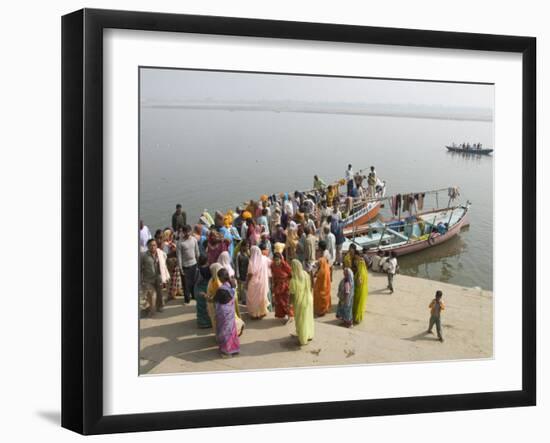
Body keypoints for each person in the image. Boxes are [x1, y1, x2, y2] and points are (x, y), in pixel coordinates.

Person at [214, 269, 240, 357]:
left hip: (223, 314)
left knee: (224, 331)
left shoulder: (221, 290)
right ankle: (234, 348)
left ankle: (227, 351)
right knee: (231, 330)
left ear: (221, 278)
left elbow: (214, 300)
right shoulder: (232, 284)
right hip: (231, 312)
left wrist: (206, 296)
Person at [140, 239, 169, 316]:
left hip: (158, 277)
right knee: (152, 295)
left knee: (160, 293)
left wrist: (165, 275)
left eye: (154, 245)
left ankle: (160, 306)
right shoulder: (143, 256)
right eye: (151, 245)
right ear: (148, 246)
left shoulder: (160, 254)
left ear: (156, 246)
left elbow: (164, 264)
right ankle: (151, 310)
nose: (153, 247)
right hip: (148, 279)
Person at [289, 259, 315, 345]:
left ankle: (303, 339)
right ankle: (309, 335)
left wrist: (289, 304)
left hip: (300, 303)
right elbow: (311, 284)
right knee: (308, 318)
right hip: (309, 299)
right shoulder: (305, 274)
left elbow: (292, 295)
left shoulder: (293, 281)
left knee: (301, 321)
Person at [177, 225, 200, 303]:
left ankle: (194, 296)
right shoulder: (180, 243)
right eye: (185, 232)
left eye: (188, 231)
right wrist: (180, 268)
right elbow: (179, 256)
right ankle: (187, 300)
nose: (187, 233)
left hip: (194, 264)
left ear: (191, 231)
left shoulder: (194, 240)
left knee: (194, 282)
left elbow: (197, 252)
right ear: (183, 232)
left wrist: (199, 263)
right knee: (186, 284)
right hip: (185, 266)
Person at [246, 245, 270, 319]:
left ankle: (255, 314)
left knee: (254, 300)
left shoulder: (252, 261)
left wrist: (246, 283)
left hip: (254, 283)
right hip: (263, 282)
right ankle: (262, 312)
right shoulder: (265, 258)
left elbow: (250, 274)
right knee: (261, 297)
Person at [271, 252, 293, 323]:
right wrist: (273, 285)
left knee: (286, 301)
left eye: (278, 260)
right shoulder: (273, 265)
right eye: (275, 260)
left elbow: (290, 273)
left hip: (285, 285)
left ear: (281, 259)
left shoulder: (284, 265)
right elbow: (273, 275)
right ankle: (283, 314)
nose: (277, 261)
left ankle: (290, 316)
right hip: (278, 286)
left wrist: (287, 282)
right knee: (279, 301)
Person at [313, 241, 331, 317]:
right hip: (327, 276)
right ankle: (325, 308)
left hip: (323, 279)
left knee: (320, 294)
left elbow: (319, 266)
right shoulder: (327, 253)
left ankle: (321, 310)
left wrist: (315, 274)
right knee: (326, 293)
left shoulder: (322, 258)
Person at [194, 255, 212, 329]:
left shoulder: (198, 270)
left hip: (200, 289)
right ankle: (209, 322)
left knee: (201, 306)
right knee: (208, 305)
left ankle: (202, 323)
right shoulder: (210, 269)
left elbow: (196, 280)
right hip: (208, 288)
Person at [352, 256, 368, 324]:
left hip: (358, 291)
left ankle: (356, 318)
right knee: (361, 304)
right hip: (364, 291)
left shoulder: (359, 273)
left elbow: (359, 282)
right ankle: (360, 317)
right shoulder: (365, 272)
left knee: (357, 303)